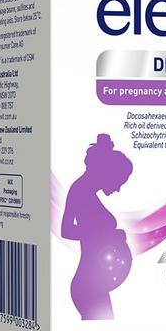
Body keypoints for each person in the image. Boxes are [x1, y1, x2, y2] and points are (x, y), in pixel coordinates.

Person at [61, 134, 133, 320]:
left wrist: (109, 235)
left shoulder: (86, 191)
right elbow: (66, 230)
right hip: (88, 284)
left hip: (95, 283)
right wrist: (107, 235)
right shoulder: (80, 190)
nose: (118, 188)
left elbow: (94, 231)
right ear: (108, 172)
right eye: (119, 181)